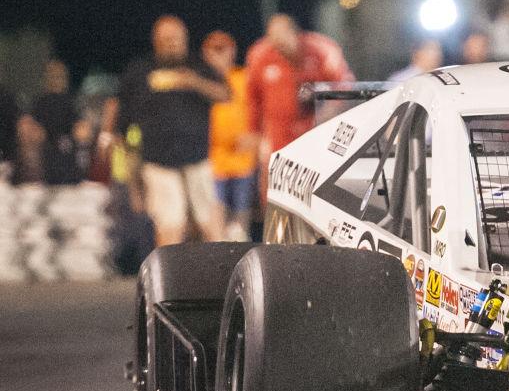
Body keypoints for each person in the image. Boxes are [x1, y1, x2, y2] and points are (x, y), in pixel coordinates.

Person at [111, 15, 230, 246]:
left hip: (197, 158)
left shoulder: (197, 66)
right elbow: (122, 121)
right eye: (166, 39)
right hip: (159, 162)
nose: (172, 44)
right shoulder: (140, 71)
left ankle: (219, 276)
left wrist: (194, 82)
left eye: (176, 39)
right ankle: (168, 278)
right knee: (170, 225)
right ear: (156, 41)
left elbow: (225, 94)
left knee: (210, 225)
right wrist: (133, 179)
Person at [245, 14, 353, 159]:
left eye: (282, 42)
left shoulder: (320, 49)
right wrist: (254, 131)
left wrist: (330, 110)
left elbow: (344, 85)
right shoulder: (261, 55)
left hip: (315, 132)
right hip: (279, 136)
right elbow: (253, 98)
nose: (280, 49)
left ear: (294, 33)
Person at [203, 31, 256, 241]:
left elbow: (258, 110)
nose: (219, 55)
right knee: (215, 214)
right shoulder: (203, 81)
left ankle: (241, 252)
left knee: (241, 215)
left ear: (232, 51)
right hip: (212, 160)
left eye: (223, 49)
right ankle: (220, 256)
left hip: (242, 159)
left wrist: (254, 135)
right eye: (214, 50)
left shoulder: (244, 78)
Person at [16, 59, 85, 184]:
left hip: (66, 165)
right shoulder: (39, 103)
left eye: (59, 76)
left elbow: (81, 132)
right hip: (45, 167)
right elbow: (29, 129)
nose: (56, 79)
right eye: (53, 76)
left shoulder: (70, 103)